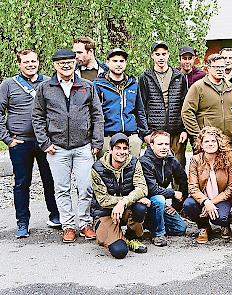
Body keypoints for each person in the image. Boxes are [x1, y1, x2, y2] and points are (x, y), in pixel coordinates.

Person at [32, 49, 104, 243]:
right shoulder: (45, 88)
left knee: (86, 186)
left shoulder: (87, 86)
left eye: (69, 61)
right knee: (62, 188)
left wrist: (97, 142)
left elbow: (97, 115)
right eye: (61, 62)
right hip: (57, 147)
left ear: (75, 63)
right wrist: (45, 143)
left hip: (83, 147)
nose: (66, 65)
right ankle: (68, 226)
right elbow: (37, 117)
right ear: (54, 65)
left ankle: (86, 223)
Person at [0, 49, 59, 238]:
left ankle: (55, 215)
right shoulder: (8, 85)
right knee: (21, 183)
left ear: (38, 62)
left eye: (34, 61)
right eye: (26, 62)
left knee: (50, 181)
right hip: (20, 142)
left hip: (45, 142)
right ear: (19, 64)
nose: (31, 64)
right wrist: (7, 139)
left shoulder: (49, 82)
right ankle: (22, 223)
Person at [90, 133, 148, 258]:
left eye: (125, 148)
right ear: (110, 150)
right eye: (118, 148)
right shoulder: (97, 168)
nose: (122, 152)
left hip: (125, 209)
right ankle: (120, 239)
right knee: (120, 251)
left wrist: (123, 203)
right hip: (104, 213)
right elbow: (103, 200)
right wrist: (123, 201)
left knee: (140, 207)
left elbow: (142, 188)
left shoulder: (134, 162)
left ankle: (131, 236)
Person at [183, 126, 232, 243]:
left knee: (220, 218)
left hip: (221, 199)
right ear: (201, 145)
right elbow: (192, 187)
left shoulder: (229, 159)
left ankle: (224, 225)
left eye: (213, 141)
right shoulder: (195, 160)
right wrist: (206, 202)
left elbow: (230, 188)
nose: (210, 144)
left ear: (219, 143)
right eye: (206, 141)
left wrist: (211, 203)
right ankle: (204, 227)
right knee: (188, 204)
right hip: (202, 199)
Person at [139, 41, 189, 167]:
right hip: (155, 132)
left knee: (178, 169)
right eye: (157, 54)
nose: (161, 57)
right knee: (153, 170)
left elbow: (185, 105)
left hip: (176, 131)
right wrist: (145, 133)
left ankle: (178, 188)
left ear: (168, 55)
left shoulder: (179, 76)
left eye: (164, 54)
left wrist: (184, 129)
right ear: (152, 56)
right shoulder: (145, 77)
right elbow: (141, 108)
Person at [139, 130, 189, 247]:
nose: (164, 148)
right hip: (145, 202)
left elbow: (183, 181)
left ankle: (150, 223)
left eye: (166, 144)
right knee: (159, 199)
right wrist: (173, 193)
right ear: (151, 145)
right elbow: (152, 190)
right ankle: (158, 234)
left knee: (180, 228)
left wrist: (176, 206)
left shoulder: (171, 160)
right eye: (160, 144)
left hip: (159, 203)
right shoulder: (144, 162)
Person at [94, 48, 147, 156]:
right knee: (106, 167)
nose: (118, 64)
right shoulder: (98, 85)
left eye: (121, 61)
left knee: (132, 165)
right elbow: (94, 113)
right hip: (107, 134)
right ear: (107, 62)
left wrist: (143, 133)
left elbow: (140, 111)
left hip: (130, 134)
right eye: (115, 61)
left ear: (126, 63)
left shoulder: (133, 84)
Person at [182, 53, 232, 154]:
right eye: (216, 67)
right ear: (208, 68)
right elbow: (187, 112)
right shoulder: (198, 87)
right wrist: (198, 136)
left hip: (226, 142)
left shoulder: (231, 88)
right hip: (206, 143)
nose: (220, 69)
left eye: (222, 66)